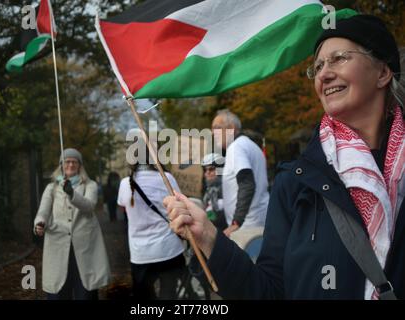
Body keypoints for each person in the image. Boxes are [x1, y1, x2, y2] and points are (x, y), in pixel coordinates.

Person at [164, 15, 405, 299]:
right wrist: (208, 237)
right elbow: (269, 291)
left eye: (339, 58)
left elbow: (246, 183)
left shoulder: (239, 147)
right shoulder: (293, 182)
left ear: (382, 73)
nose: (323, 74)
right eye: (317, 67)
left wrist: (237, 221)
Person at [34, 148, 110, 300]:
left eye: (74, 162)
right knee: (58, 294)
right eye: (67, 162)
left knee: (86, 294)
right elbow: (43, 210)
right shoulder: (52, 187)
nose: (70, 165)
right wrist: (39, 223)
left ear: (80, 165)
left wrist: (72, 194)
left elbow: (89, 206)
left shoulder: (90, 185)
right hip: (58, 247)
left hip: (85, 249)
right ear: (61, 165)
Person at [117, 150, 185, 299]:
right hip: (169, 249)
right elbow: (181, 207)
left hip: (141, 254)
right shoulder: (167, 178)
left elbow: (123, 208)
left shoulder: (124, 183)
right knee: (169, 294)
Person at [211, 109, 270, 236]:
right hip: (255, 222)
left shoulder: (236, 147)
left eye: (217, 127)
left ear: (231, 128)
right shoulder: (248, 145)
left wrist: (236, 222)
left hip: (247, 227)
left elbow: (247, 184)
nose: (212, 132)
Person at [201, 153, 227, 231]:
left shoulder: (226, 190)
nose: (207, 173)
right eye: (205, 170)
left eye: (211, 169)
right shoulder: (208, 191)